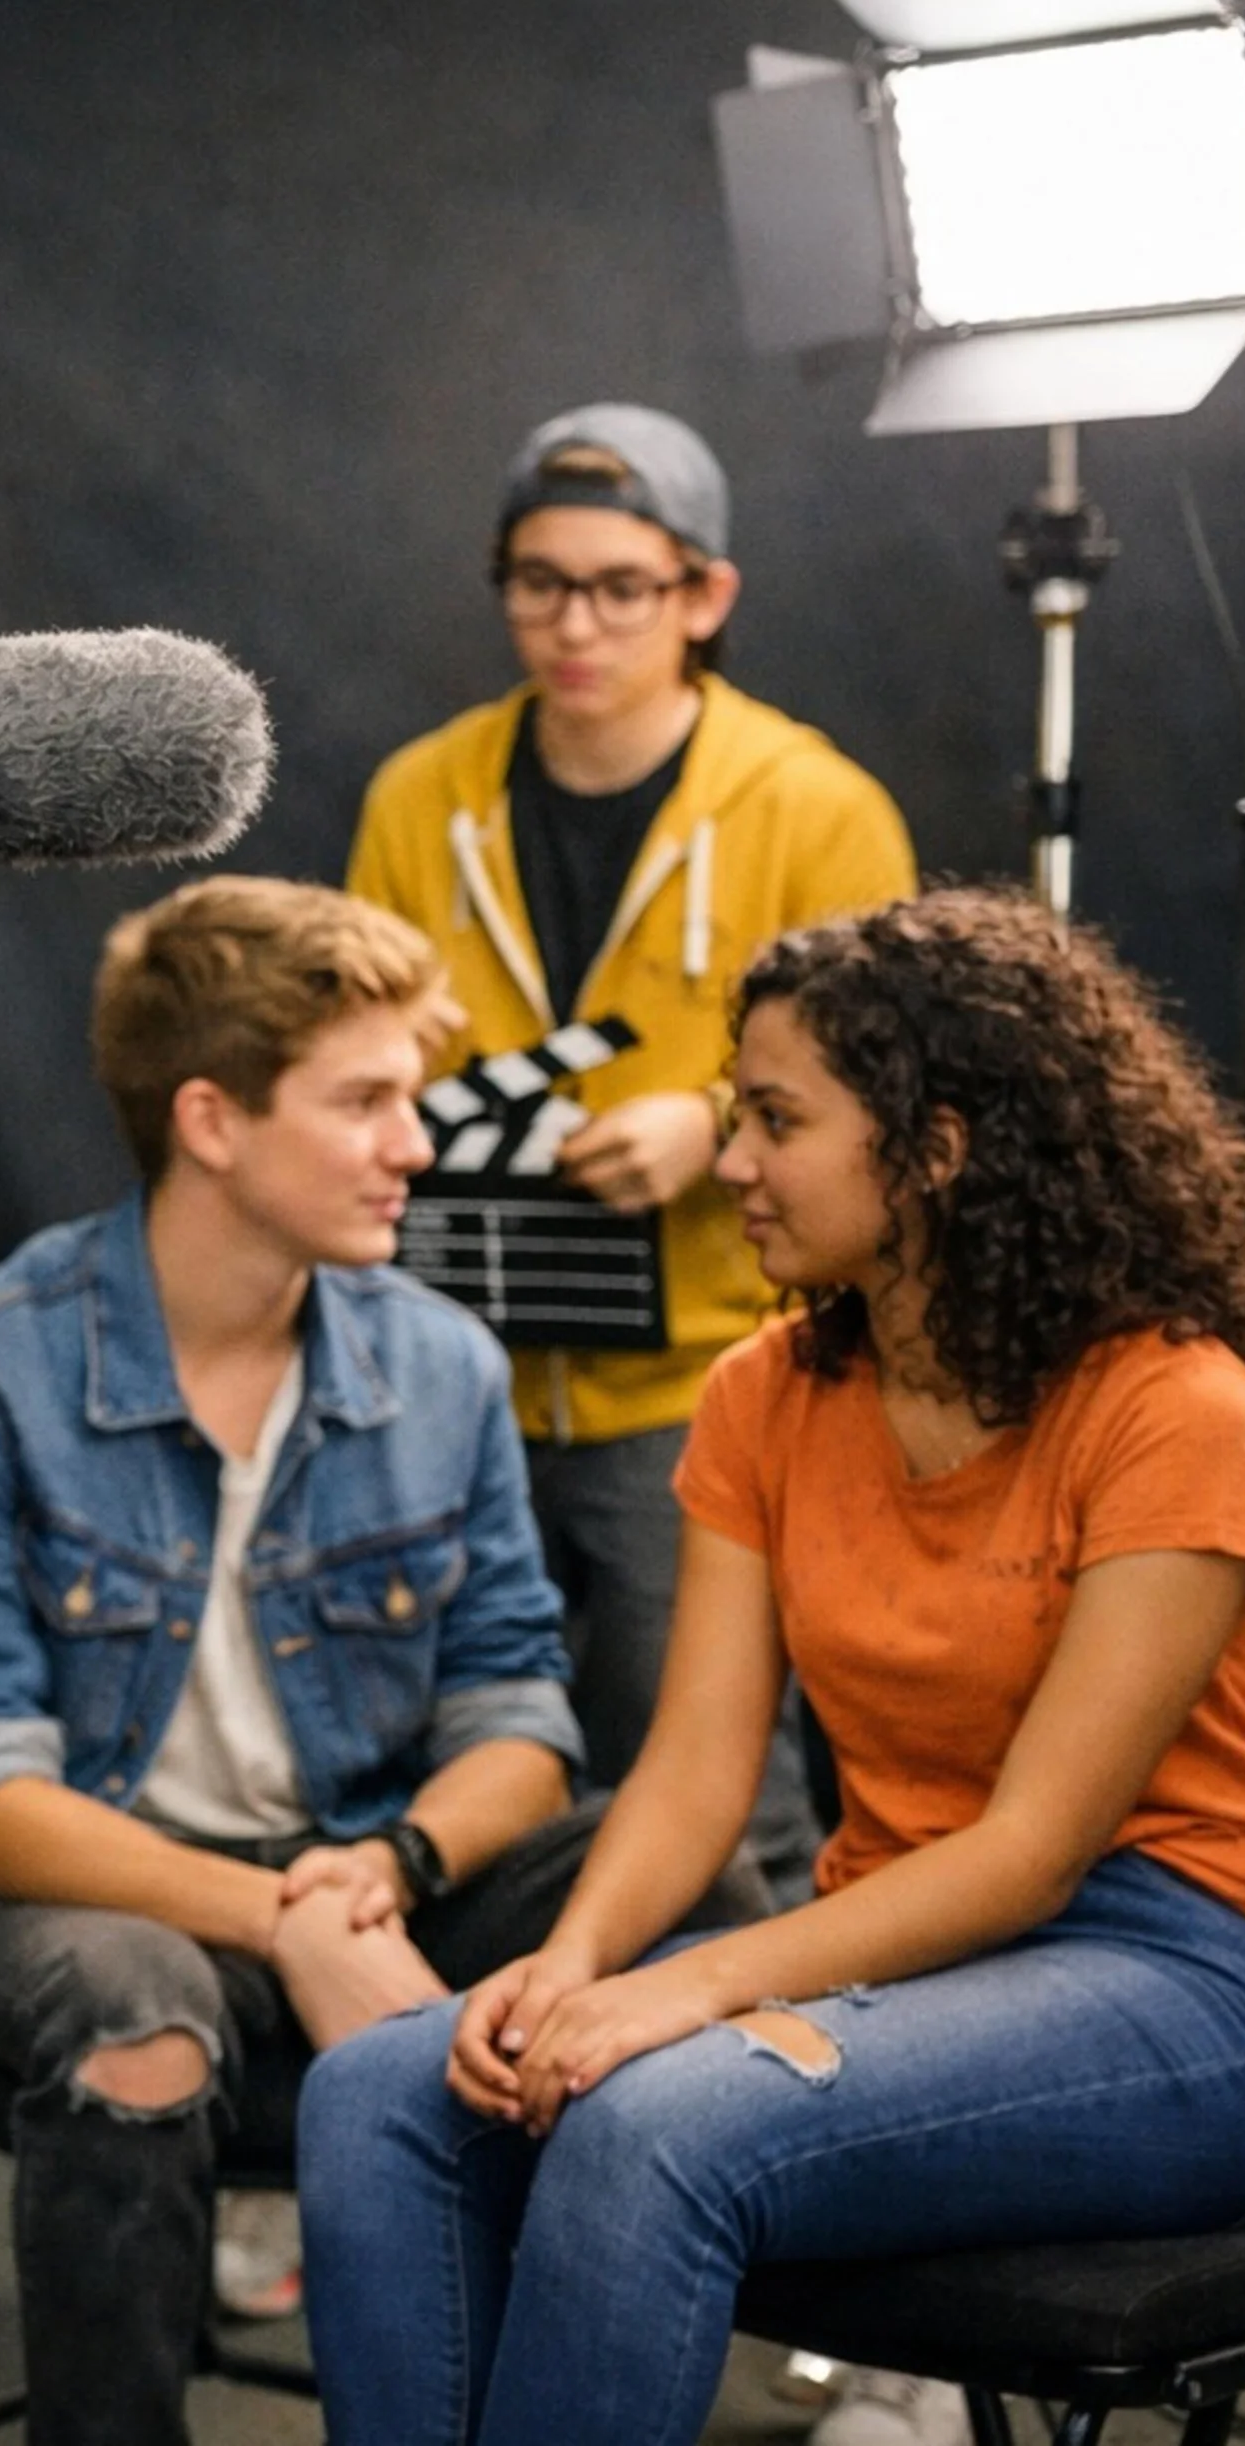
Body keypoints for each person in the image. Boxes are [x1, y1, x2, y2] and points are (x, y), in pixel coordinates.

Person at [297, 888, 1245, 2446]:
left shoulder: (1174, 1406)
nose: (728, 1163)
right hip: (904, 1948)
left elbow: (1033, 1854)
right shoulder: (766, 1394)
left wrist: (685, 1990)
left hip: (1193, 1987)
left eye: (775, 1119)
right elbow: (699, 1768)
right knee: (383, 2092)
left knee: (652, 2120)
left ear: (934, 1146)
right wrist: (578, 1964)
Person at [0, 876, 668, 2446]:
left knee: (669, 1884)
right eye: (368, 1101)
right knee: (139, 2008)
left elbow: (523, 1718)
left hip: (365, 1870)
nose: (419, 1140)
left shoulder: (438, 1361)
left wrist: (378, 1869)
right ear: (212, 1118)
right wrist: (281, 1919)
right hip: (66, 1903)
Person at [346, 401, 915, 1901]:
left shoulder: (817, 808)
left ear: (704, 595)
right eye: (539, 582)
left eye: (620, 586)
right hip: (458, 1365)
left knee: (716, 1792)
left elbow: (900, 1107)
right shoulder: (425, 795)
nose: (573, 623)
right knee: (459, 1776)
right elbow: (357, 1053)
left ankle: (754, 2084)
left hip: (707, 1388)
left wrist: (720, 1121)